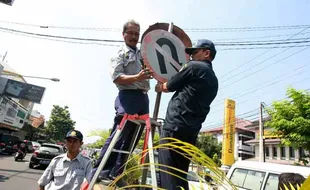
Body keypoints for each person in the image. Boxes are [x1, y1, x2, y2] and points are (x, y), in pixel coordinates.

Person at [90, 19, 153, 183]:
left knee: (132, 138)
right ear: (123, 34)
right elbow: (117, 77)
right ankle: (100, 171)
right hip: (128, 96)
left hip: (143, 97)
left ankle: (117, 174)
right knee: (119, 134)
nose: (133, 36)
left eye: (136, 34)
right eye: (130, 33)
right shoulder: (120, 53)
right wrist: (137, 77)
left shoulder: (142, 54)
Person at [155, 39, 219, 190]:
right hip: (190, 134)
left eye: (194, 52)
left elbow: (168, 86)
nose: (191, 57)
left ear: (206, 53)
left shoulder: (194, 67)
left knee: (167, 172)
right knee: (179, 174)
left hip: (175, 127)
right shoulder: (214, 80)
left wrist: (159, 87)